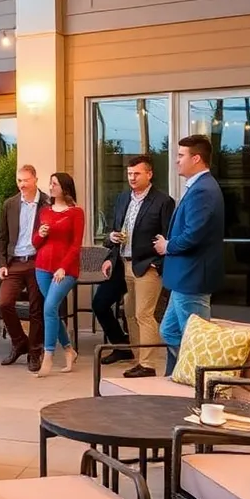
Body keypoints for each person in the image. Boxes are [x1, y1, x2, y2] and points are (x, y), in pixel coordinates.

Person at [155, 134, 226, 374]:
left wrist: (168, 246)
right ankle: (181, 375)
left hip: (192, 277)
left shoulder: (203, 190)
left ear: (196, 158)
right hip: (183, 279)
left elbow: (194, 234)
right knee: (169, 331)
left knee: (198, 339)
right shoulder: (198, 187)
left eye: (180, 155)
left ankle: (205, 379)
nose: (176, 161)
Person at [101, 154, 176, 378]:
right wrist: (111, 243)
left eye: (137, 173)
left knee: (144, 314)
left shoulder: (163, 201)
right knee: (130, 312)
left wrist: (157, 264)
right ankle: (137, 357)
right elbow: (115, 230)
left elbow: (169, 237)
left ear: (149, 174)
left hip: (147, 267)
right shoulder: (124, 198)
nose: (132, 178)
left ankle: (148, 364)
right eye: (129, 174)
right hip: (125, 263)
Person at [0, 164, 46, 372]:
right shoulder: (10, 204)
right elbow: (1, 236)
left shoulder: (47, 203)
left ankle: (35, 351)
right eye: (19, 180)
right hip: (14, 262)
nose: (22, 184)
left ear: (35, 180)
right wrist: (2, 263)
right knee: (4, 303)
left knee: (36, 308)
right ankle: (19, 342)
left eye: (26, 180)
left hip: (37, 261)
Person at [31, 172, 84, 376]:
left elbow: (76, 244)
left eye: (54, 184)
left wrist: (63, 267)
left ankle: (49, 356)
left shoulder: (76, 212)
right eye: (50, 183)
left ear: (64, 187)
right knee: (50, 310)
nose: (50, 187)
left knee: (50, 306)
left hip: (65, 269)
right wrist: (40, 234)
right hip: (42, 266)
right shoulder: (44, 211)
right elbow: (35, 243)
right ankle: (69, 350)